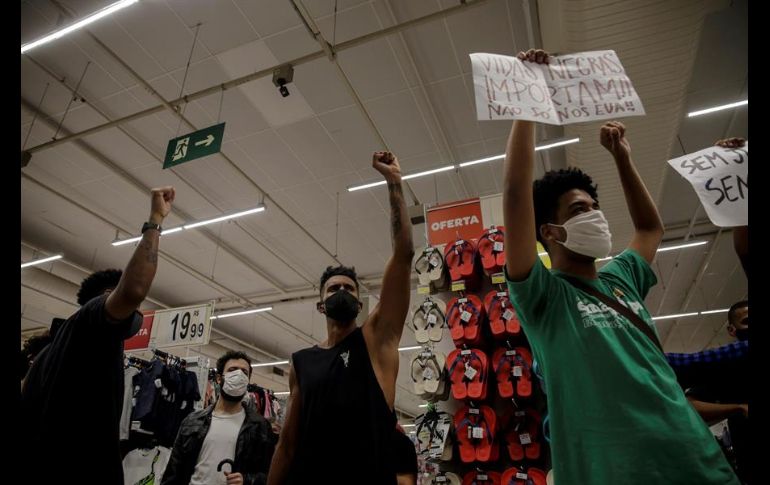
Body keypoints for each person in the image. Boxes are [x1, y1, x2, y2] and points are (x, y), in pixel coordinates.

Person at [501, 49, 738, 484]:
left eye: (595, 206)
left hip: (693, 460)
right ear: (549, 231)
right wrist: (528, 100)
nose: (595, 215)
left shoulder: (621, 278)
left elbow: (649, 228)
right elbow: (516, 194)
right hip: (611, 471)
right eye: (579, 209)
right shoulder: (543, 296)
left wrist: (622, 158)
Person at [267, 151, 414, 485]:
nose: (342, 292)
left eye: (349, 288)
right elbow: (287, 444)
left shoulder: (376, 340)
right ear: (320, 305)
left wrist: (394, 183)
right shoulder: (301, 362)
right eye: (333, 289)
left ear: (360, 305)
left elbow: (404, 254)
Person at [21, 186, 176, 483]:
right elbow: (132, 290)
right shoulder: (93, 319)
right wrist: (155, 221)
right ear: (106, 297)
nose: (134, 311)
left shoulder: (46, 354)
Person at [162, 350, 273, 485]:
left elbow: (271, 474)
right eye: (232, 370)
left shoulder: (260, 426)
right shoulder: (192, 421)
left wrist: (247, 480)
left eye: (244, 372)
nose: (239, 375)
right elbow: (174, 470)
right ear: (219, 378)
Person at [669, 300, 749, 483]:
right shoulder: (729, 370)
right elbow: (690, 404)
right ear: (731, 330)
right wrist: (738, 407)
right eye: (746, 321)